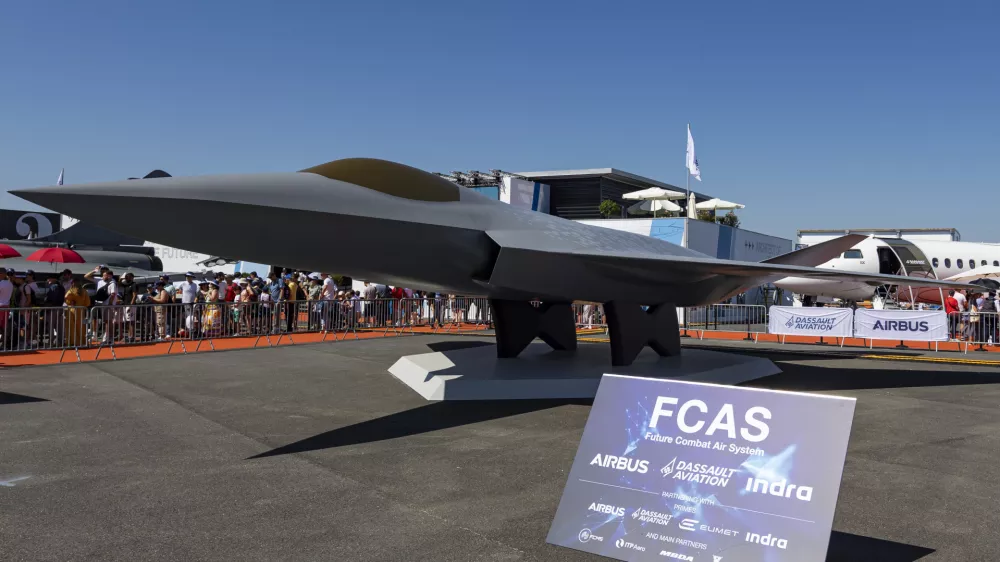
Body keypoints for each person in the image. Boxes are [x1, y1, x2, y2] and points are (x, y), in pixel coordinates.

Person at [63, 277, 91, 348]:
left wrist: (70, 302)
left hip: (71, 310)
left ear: (73, 283)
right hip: (81, 310)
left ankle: (73, 342)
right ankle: (82, 342)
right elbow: (87, 303)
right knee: (81, 327)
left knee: (71, 327)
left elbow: (66, 298)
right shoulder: (84, 291)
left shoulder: (71, 291)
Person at [120, 272, 138, 343]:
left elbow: (134, 295)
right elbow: (119, 282)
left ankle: (132, 336)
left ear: (132, 277)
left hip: (130, 305)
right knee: (127, 321)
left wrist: (131, 305)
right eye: (126, 277)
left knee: (131, 321)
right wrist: (122, 277)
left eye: (129, 277)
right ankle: (129, 336)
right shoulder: (125, 284)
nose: (127, 278)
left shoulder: (134, 284)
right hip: (125, 304)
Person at [0, 269, 13, 348]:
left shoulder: (1, 283)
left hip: (1, 307)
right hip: (6, 306)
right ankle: (4, 344)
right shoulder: (10, 283)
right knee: (4, 326)